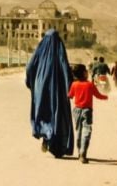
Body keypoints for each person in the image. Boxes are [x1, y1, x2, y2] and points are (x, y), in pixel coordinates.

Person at [25, 29, 74, 158]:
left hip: (40, 87)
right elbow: (65, 67)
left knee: (43, 111)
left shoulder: (40, 50)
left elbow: (30, 67)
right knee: (56, 112)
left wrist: (31, 82)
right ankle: (55, 143)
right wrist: (69, 85)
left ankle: (46, 135)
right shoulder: (59, 48)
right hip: (58, 88)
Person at [68, 63, 109, 163]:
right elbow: (98, 95)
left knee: (79, 131)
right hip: (87, 111)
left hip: (76, 110)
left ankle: (79, 152)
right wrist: (106, 97)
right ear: (84, 73)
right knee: (86, 131)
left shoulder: (74, 84)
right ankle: (83, 153)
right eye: (86, 71)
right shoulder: (90, 85)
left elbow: (70, 95)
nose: (87, 72)